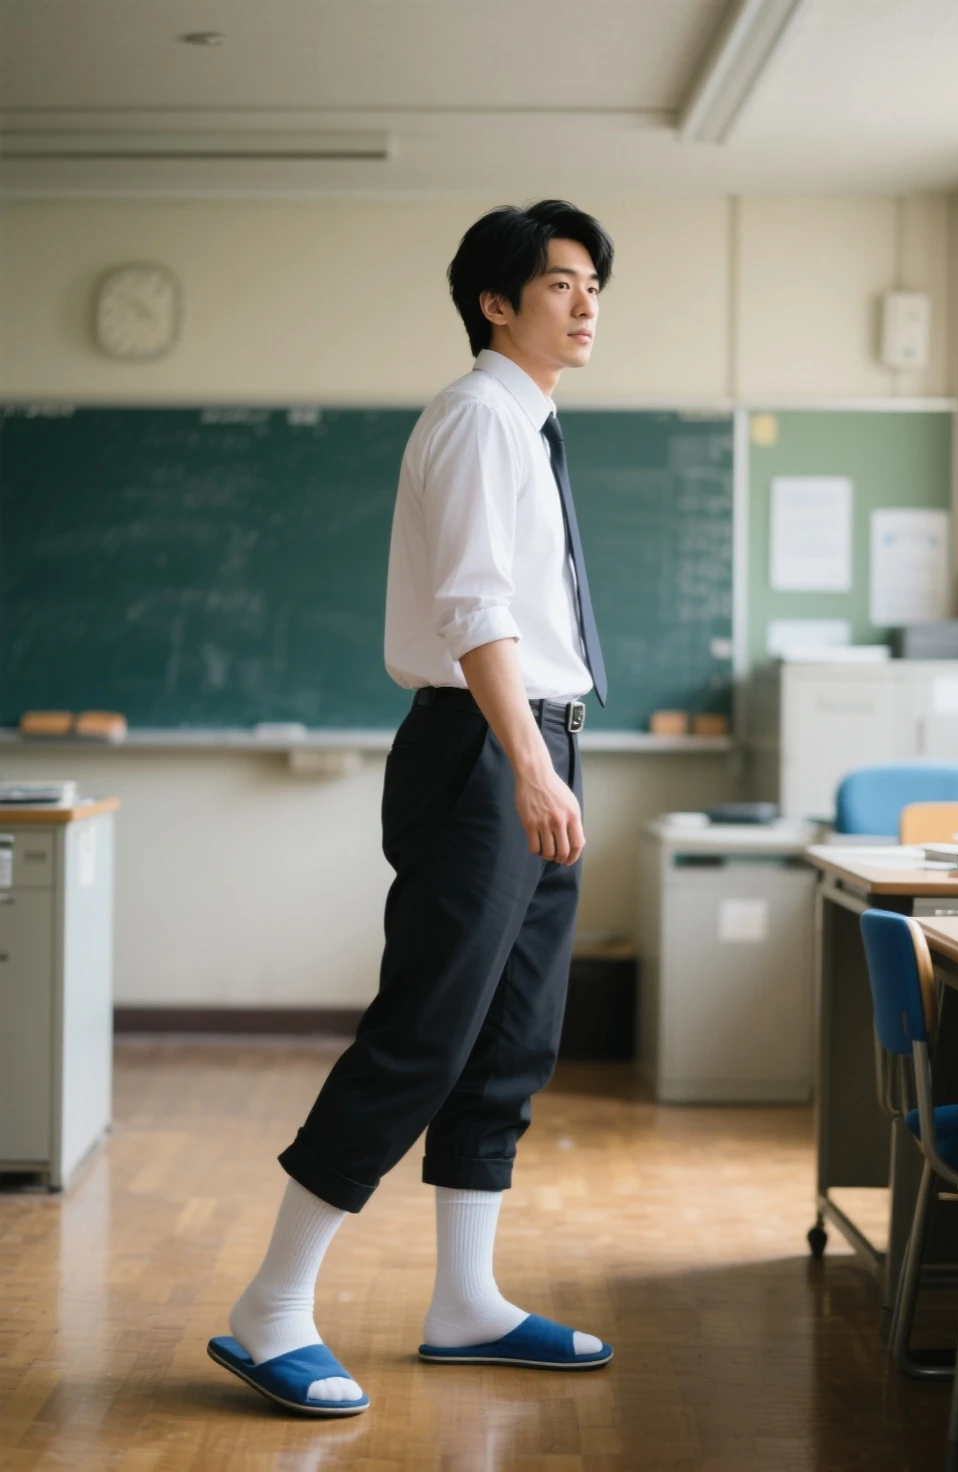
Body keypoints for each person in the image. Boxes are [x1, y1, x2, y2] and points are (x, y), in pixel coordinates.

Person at [208, 199, 615, 1415]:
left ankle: (465, 1301)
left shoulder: (527, 426)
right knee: (427, 1029)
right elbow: (474, 609)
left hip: (533, 739)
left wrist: (546, 755)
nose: (587, 302)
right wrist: (528, 763)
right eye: (559, 283)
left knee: (511, 1036)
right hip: (489, 746)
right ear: (496, 301)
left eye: (595, 283)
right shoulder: (482, 420)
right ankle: (269, 1305)